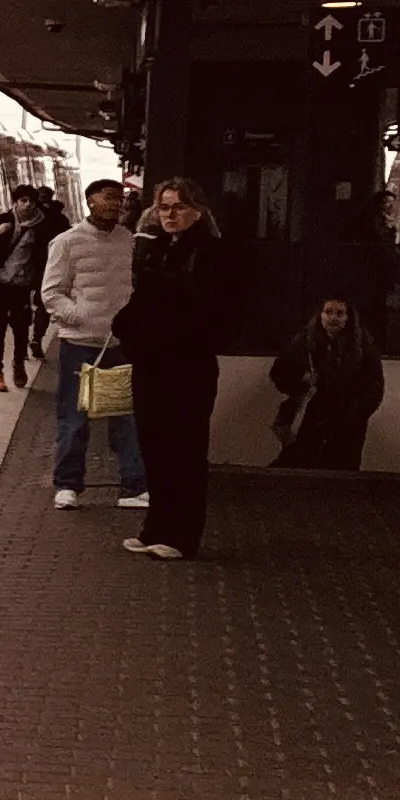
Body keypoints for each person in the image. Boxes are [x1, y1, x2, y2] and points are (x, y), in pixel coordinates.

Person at [115, 177, 230, 559]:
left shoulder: (211, 253)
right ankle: (156, 528)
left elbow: (208, 309)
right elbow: (143, 302)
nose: (169, 214)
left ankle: (182, 535)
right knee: (154, 446)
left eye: (178, 207)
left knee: (184, 450)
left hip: (188, 365)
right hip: (153, 363)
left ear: (197, 211)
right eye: (164, 207)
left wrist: (158, 286)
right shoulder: (159, 249)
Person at [38, 175, 145, 509]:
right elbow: (51, 293)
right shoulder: (66, 242)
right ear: (90, 201)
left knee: (127, 416)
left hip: (121, 343)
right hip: (80, 344)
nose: (115, 204)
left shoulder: (128, 240)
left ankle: (133, 487)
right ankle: (67, 485)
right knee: (74, 417)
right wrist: (81, 316)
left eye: (119, 198)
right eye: (108, 197)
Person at [269, 294, 386, 470]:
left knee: (340, 472)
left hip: (346, 427)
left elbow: (374, 390)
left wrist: (354, 415)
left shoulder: (364, 348)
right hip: (310, 421)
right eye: (329, 312)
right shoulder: (304, 342)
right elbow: (279, 373)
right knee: (300, 469)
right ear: (320, 315)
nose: (333, 318)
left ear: (348, 317)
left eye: (339, 313)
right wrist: (301, 381)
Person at [0, 184, 56, 391]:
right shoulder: (5, 220)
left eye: (31, 201)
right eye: (23, 201)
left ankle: (18, 364)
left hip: (22, 287)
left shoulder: (44, 225)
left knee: (21, 331)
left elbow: (62, 235)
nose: (27, 205)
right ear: (15, 202)